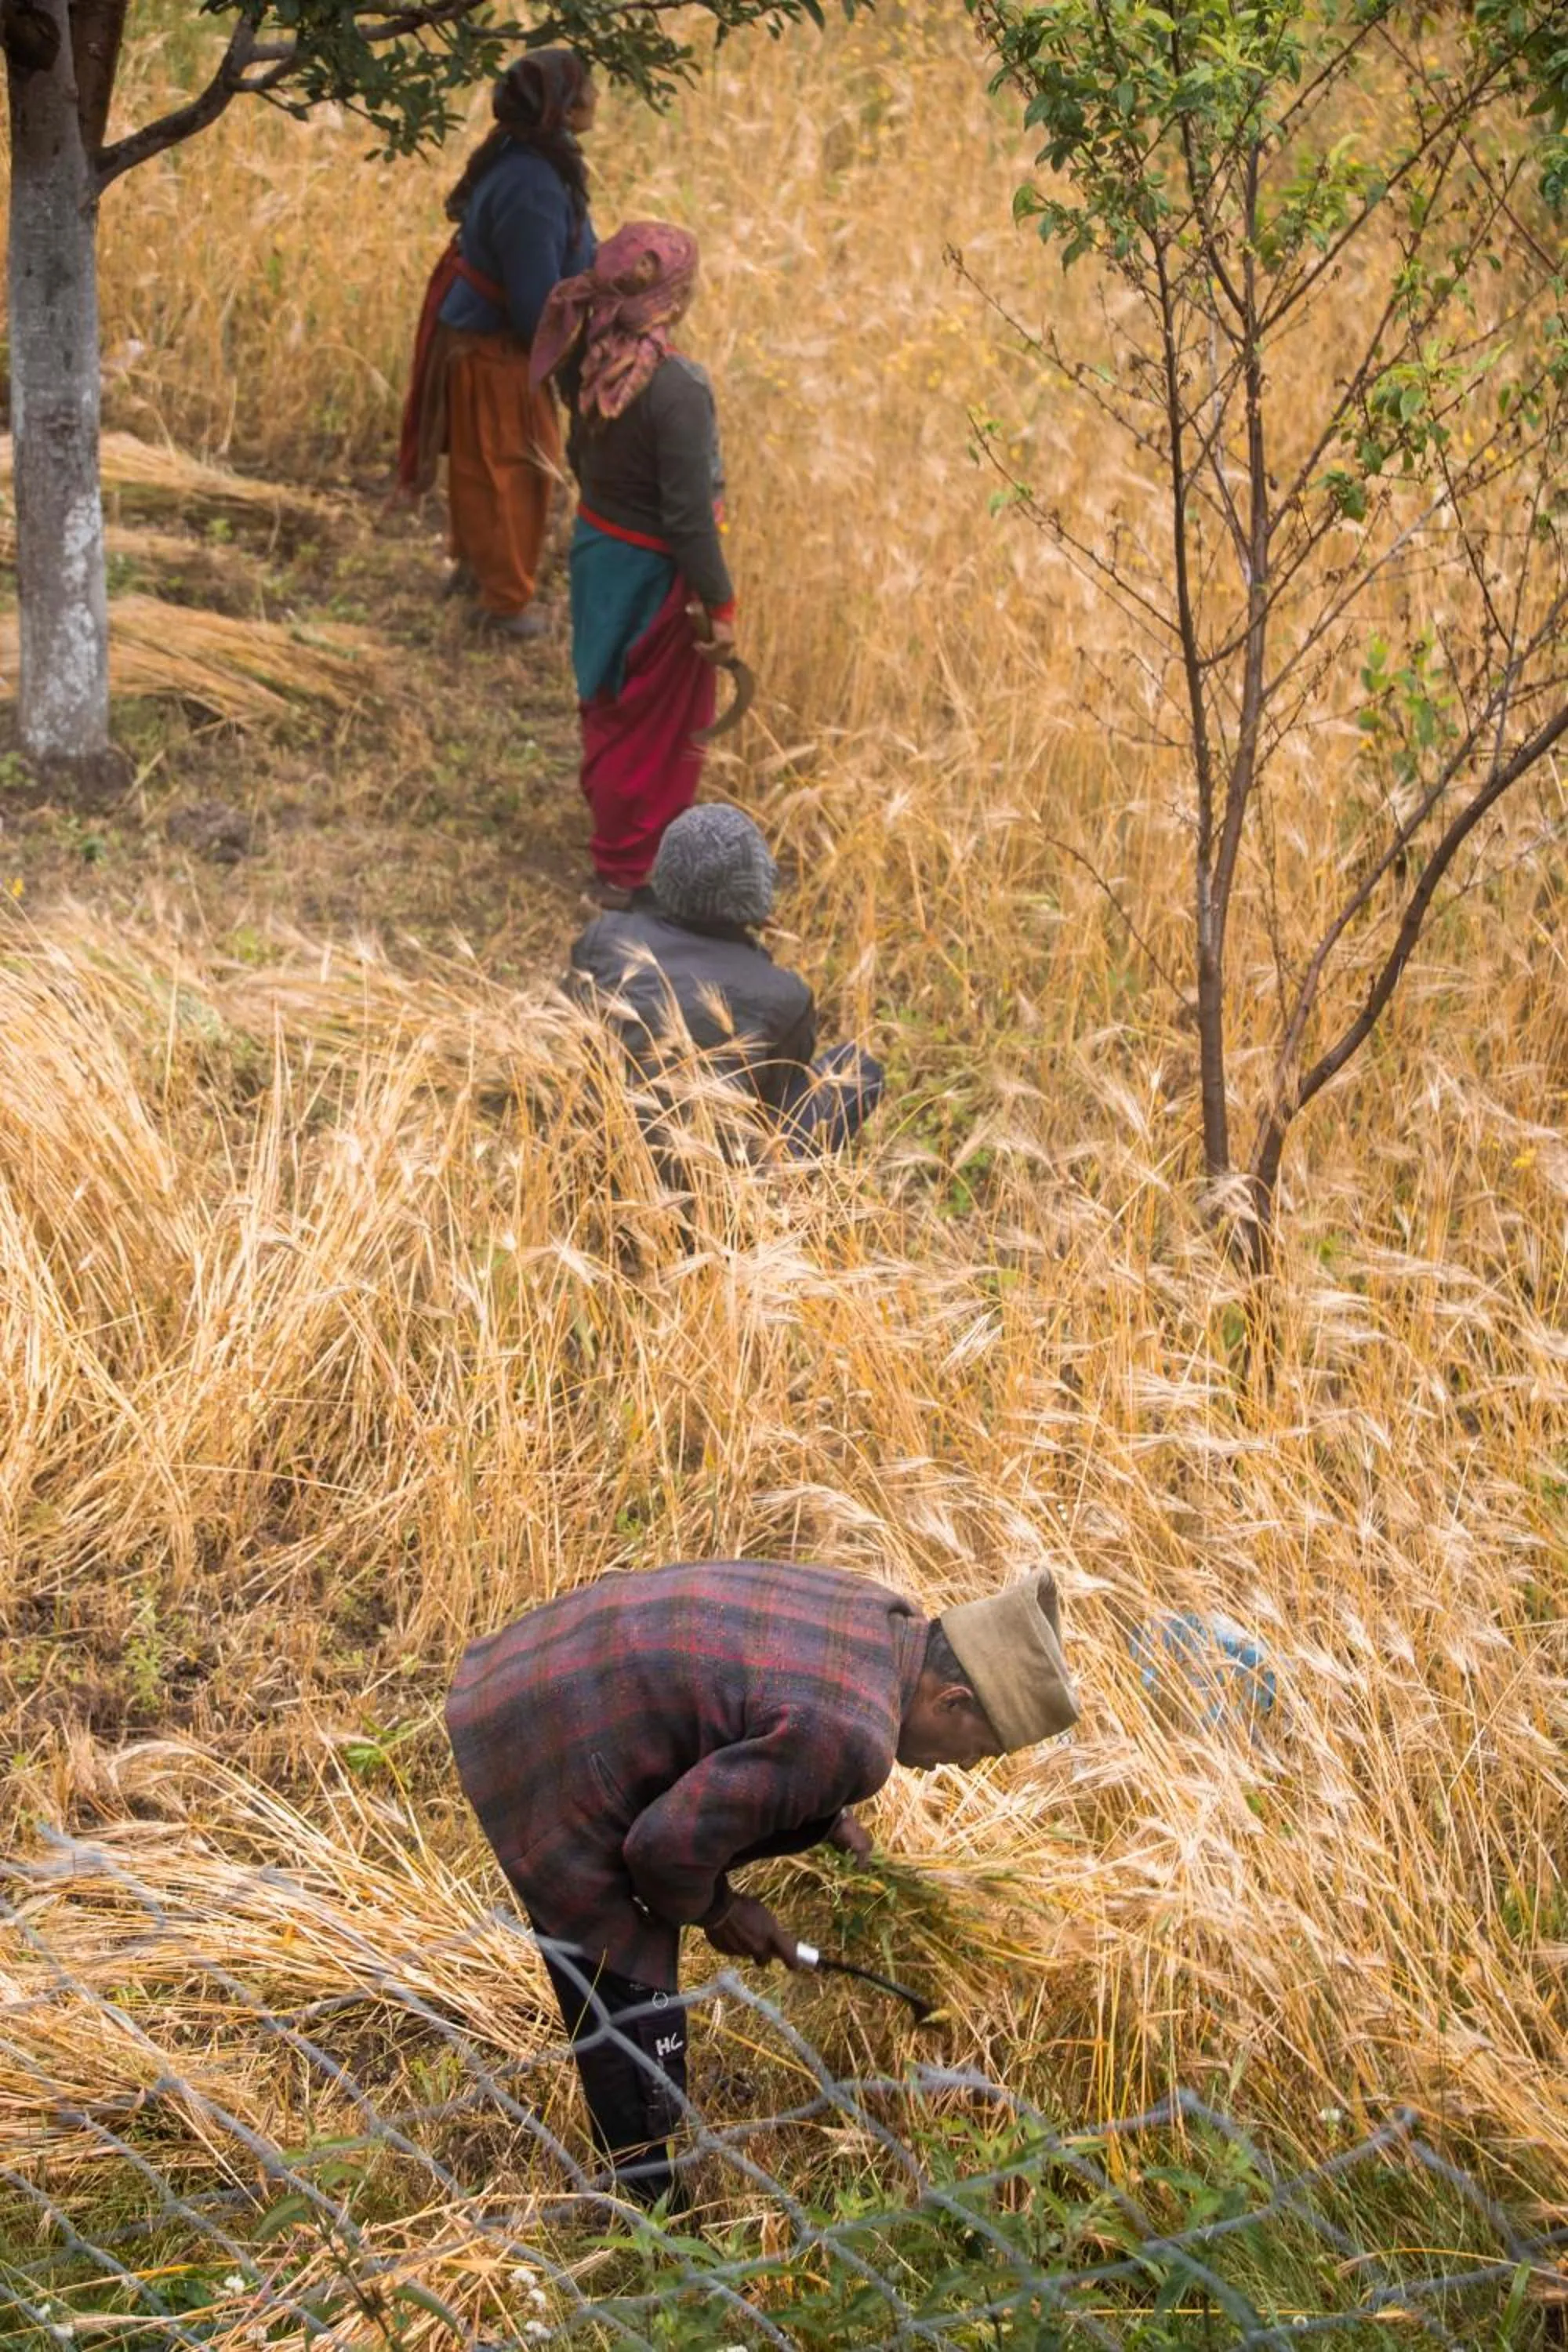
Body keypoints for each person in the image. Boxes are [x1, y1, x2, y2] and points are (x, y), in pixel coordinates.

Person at [445, 1559, 1080, 2209]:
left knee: (629, 1992)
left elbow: (774, 1698)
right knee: (629, 2005)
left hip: (549, 1659)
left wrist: (827, 1816)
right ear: (953, 1700)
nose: (964, 1766)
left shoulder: (882, 1617)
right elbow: (661, 1852)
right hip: (556, 1742)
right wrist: (723, 1910)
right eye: (979, 1749)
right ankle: (643, 2218)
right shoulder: (852, 1737)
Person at [529, 221, 735, 902]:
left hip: (599, 551)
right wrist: (720, 602)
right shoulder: (675, 389)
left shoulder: (585, 353)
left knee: (610, 699)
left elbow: (586, 463)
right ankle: (628, 869)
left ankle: (620, 848)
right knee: (652, 724)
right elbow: (687, 517)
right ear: (672, 295)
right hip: (650, 573)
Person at [397, 50, 598, 637]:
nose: (596, 98)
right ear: (561, 105)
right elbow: (537, 300)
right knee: (511, 467)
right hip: (495, 348)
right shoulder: (533, 183)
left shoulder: (530, 158)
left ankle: (475, 568)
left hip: (480, 338)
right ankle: (503, 603)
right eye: (588, 87)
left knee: (483, 463)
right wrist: (573, 358)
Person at [569, 803, 884, 1154]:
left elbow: (576, 1036)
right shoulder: (783, 996)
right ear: (756, 894)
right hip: (717, 1181)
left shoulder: (604, 937)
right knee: (856, 1069)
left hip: (600, 1142)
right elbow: (772, 1103)